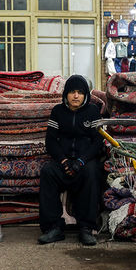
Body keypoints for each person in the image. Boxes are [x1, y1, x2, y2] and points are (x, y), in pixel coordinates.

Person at [38, 75, 103, 245]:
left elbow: (98, 142)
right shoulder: (58, 112)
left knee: (92, 173)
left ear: (85, 95)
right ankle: (54, 228)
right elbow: (51, 141)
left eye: (80, 92)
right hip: (64, 161)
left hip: (85, 162)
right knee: (47, 172)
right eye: (72, 92)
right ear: (66, 94)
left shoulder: (93, 112)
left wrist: (81, 161)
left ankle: (86, 228)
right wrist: (63, 161)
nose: (76, 96)